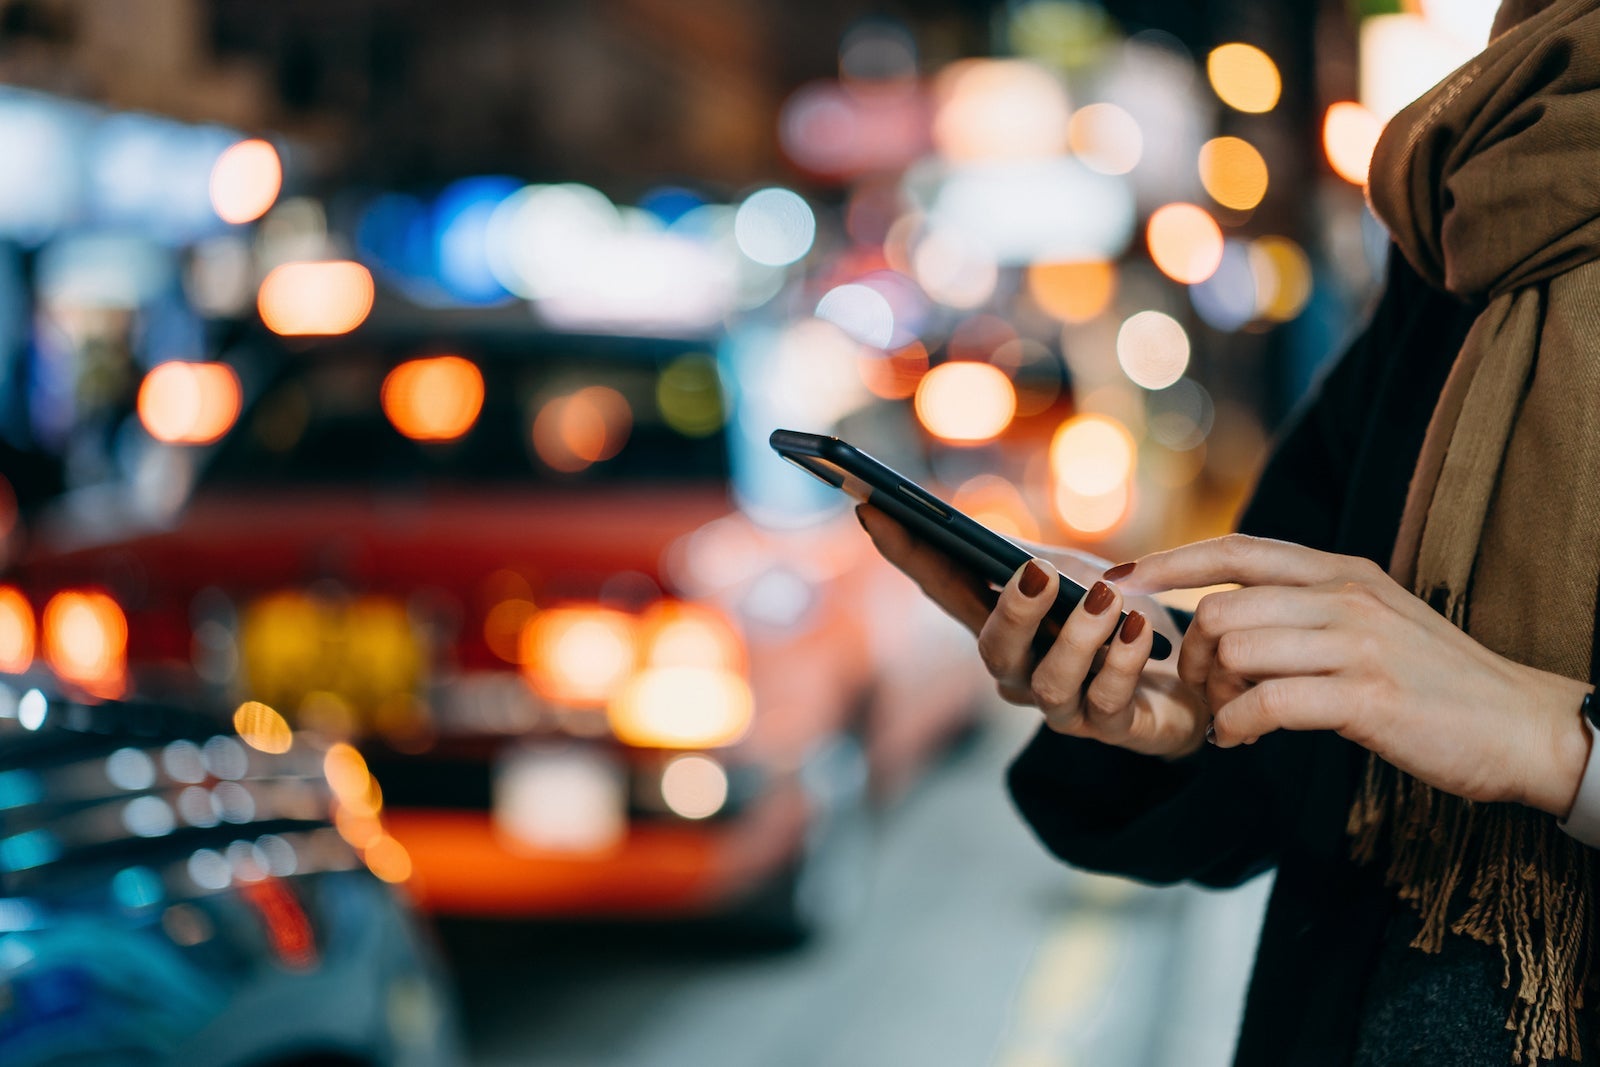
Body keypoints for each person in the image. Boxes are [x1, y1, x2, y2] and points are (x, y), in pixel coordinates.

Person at [858, 1, 1600, 1063]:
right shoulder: (1472, 201)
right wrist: (1188, 708)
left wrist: (1560, 743)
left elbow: (1475, 711)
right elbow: (1316, 767)